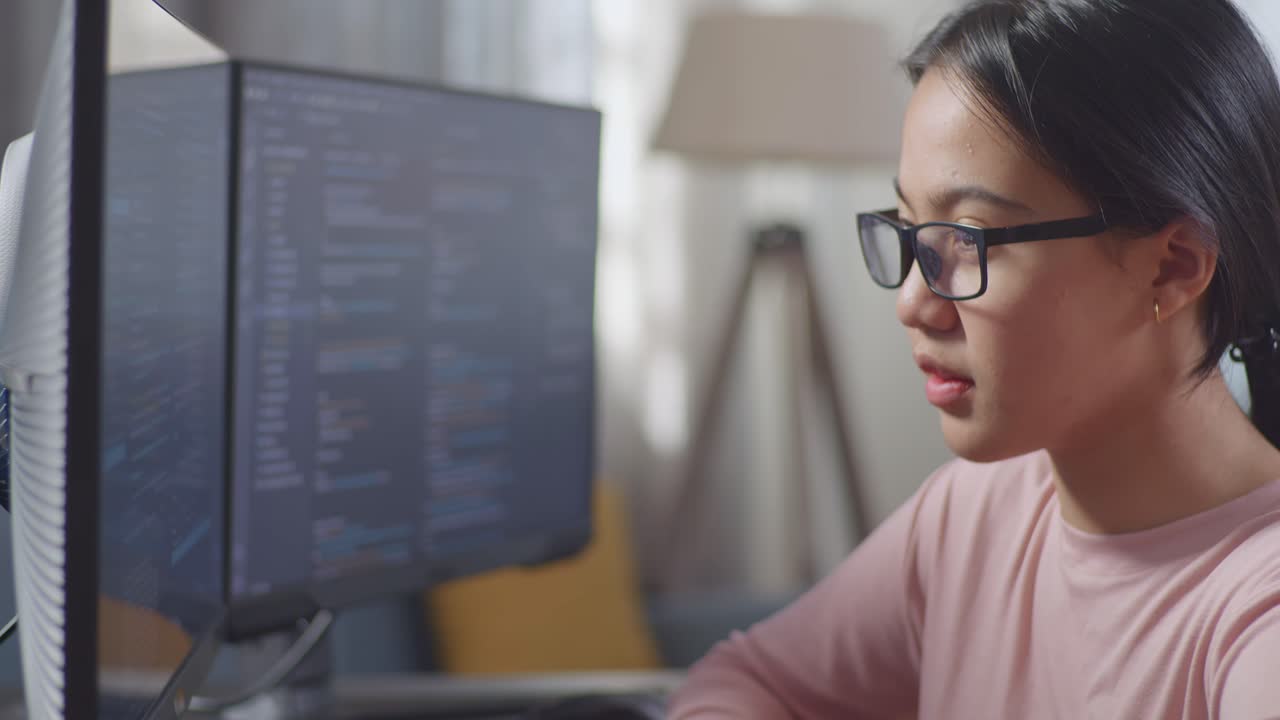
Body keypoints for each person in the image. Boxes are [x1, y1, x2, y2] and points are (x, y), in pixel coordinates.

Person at [666, 0, 1280, 717]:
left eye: (970, 239)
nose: (913, 305)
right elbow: (747, 680)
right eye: (909, 230)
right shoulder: (975, 514)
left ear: (1174, 267)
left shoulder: (1256, 612)